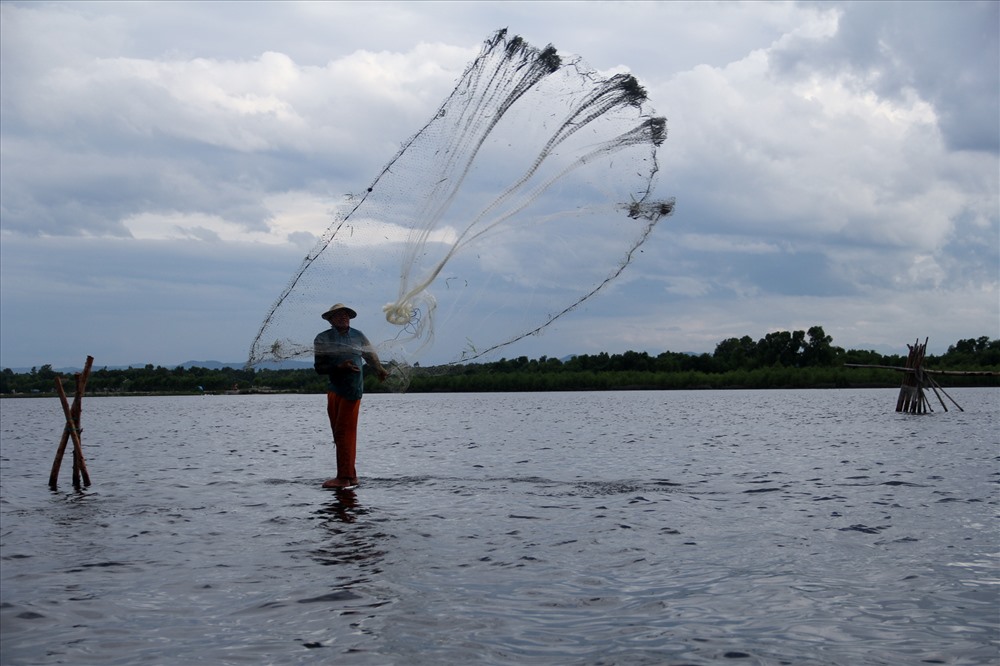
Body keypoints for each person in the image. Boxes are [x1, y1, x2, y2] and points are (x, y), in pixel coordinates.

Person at [314, 303, 389, 489]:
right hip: (334, 389)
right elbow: (319, 368)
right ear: (330, 319)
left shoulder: (358, 335)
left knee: (344, 432)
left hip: (352, 390)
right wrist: (339, 367)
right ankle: (351, 476)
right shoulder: (322, 338)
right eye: (338, 315)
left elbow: (370, 356)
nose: (343, 317)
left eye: (346, 314)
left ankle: (344, 477)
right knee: (339, 433)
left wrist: (379, 370)